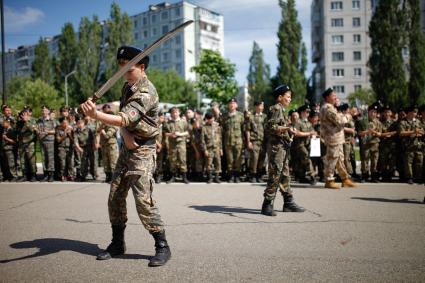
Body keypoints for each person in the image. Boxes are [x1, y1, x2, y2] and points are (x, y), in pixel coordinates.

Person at [80, 45, 171, 266]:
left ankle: (162, 246)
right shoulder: (127, 87)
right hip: (127, 147)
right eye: (120, 67)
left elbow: (123, 118)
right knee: (115, 196)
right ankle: (117, 243)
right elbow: (124, 119)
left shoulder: (146, 91)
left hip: (143, 150)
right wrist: (125, 134)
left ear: (141, 67)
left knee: (143, 200)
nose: (123, 72)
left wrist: (96, 115)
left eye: (127, 68)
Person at [261, 85, 305, 216]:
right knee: (275, 175)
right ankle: (267, 204)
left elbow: (280, 127)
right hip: (276, 148)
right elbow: (271, 127)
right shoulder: (276, 108)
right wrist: (287, 129)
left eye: (290, 97)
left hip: (282, 147)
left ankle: (288, 202)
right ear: (279, 97)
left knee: (285, 175)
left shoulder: (282, 110)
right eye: (288, 96)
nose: (290, 99)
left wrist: (289, 131)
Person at [319, 88, 356, 189]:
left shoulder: (331, 107)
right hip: (332, 138)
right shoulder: (327, 108)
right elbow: (339, 120)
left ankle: (345, 179)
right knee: (332, 159)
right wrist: (349, 115)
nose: (336, 97)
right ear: (327, 97)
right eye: (333, 95)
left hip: (336, 138)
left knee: (339, 159)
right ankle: (329, 180)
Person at [398, 105, 424, 184]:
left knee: (419, 161)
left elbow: (422, 131)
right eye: (414, 112)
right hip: (408, 145)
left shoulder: (418, 121)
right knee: (408, 163)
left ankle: (418, 177)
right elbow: (401, 133)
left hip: (418, 145)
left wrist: (420, 133)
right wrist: (413, 132)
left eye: (416, 112)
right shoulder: (403, 122)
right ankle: (409, 177)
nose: (415, 114)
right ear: (409, 112)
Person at [164, 107, 190, 184]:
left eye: (176, 112)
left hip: (181, 144)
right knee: (173, 160)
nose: (174, 114)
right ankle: (173, 177)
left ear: (179, 113)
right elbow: (165, 133)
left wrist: (180, 134)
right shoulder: (168, 123)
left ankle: (184, 177)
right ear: (171, 114)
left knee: (183, 160)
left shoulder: (183, 122)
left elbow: (187, 132)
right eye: (173, 112)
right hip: (172, 144)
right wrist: (171, 134)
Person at [222, 98, 245, 183]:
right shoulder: (224, 116)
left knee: (238, 160)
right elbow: (222, 129)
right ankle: (231, 176)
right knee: (230, 160)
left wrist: (245, 141)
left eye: (234, 103)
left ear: (236, 105)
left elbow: (244, 129)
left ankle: (237, 176)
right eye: (230, 103)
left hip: (238, 141)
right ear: (228, 105)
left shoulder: (240, 115)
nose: (232, 104)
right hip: (228, 142)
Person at [245, 101, 266, 183]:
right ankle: (253, 175)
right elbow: (248, 130)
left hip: (263, 141)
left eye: (262, 105)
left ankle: (259, 175)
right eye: (260, 105)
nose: (262, 107)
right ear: (256, 106)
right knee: (254, 158)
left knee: (262, 158)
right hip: (254, 141)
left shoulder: (265, 117)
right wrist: (248, 141)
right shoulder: (251, 117)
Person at [98, 104, 119, 183]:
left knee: (113, 161)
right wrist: (101, 127)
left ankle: (114, 178)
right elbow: (97, 130)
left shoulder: (115, 125)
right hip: (104, 145)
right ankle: (108, 176)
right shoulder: (103, 124)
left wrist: (102, 131)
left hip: (111, 145)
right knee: (105, 162)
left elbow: (108, 135)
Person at [201, 112, 222, 183]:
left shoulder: (217, 126)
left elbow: (220, 138)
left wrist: (221, 148)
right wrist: (205, 150)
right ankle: (210, 177)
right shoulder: (204, 127)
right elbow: (202, 140)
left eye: (212, 118)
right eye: (209, 118)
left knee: (218, 162)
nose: (211, 120)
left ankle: (216, 177)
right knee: (209, 163)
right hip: (209, 148)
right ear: (207, 119)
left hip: (217, 147)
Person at [16, 109, 37, 182]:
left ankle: (33, 175)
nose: (23, 116)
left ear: (28, 115)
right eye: (22, 115)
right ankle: (25, 175)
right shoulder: (19, 122)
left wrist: (26, 121)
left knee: (31, 160)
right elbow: (18, 131)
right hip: (22, 143)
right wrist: (20, 119)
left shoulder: (32, 121)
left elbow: (32, 130)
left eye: (25, 114)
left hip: (29, 143)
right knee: (22, 160)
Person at [36, 105, 56, 182]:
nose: (43, 112)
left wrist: (47, 132)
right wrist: (37, 131)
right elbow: (37, 129)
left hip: (49, 141)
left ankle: (51, 175)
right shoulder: (39, 120)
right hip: (42, 141)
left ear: (48, 111)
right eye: (42, 110)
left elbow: (55, 131)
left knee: (50, 158)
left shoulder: (52, 120)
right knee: (43, 158)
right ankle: (45, 174)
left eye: (45, 110)